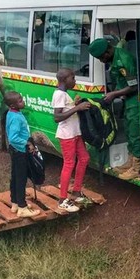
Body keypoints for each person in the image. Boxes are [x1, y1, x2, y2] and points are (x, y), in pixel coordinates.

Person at [87, 37, 140, 181]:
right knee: (129, 131)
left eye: (101, 57)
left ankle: (137, 169)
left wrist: (114, 94)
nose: (101, 61)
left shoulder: (124, 59)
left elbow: (134, 86)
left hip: (134, 101)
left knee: (134, 131)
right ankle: (130, 162)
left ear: (107, 51)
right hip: (126, 100)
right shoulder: (114, 58)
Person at [53, 68, 92, 212]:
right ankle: (62, 199)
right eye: (73, 78)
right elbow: (57, 117)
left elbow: (65, 111)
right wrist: (77, 108)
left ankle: (76, 191)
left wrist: (75, 105)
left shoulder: (64, 94)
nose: (75, 81)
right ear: (64, 80)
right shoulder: (59, 94)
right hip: (67, 135)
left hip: (76, 133)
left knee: (84, 158)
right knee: (69, 163)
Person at [4, 91, 41, 218]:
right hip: (19, 151)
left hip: (15, 150)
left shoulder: (12, 113)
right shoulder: (15, 117)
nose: (23, 101)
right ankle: (22, 207)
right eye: (20, 101)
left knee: (15, 176)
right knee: (21, 178)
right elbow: (13, 137)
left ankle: (15, 202)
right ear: (13, 105)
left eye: (22, 99)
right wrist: (27, 143)